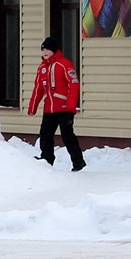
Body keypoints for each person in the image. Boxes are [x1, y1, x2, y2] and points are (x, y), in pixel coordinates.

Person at [28, 36, 86, 172]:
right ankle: (46, 160)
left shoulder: (64, 64)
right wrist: (33, 107)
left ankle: (78, 162)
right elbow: (38, 88)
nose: (45, 52)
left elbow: (74, 84)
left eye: (47, 49)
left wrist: (71, 106)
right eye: (43, 50)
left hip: (64, 108)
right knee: (45, 134)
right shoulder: (42, 68)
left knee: (67, 136)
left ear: (54, 50)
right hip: (49, 108)